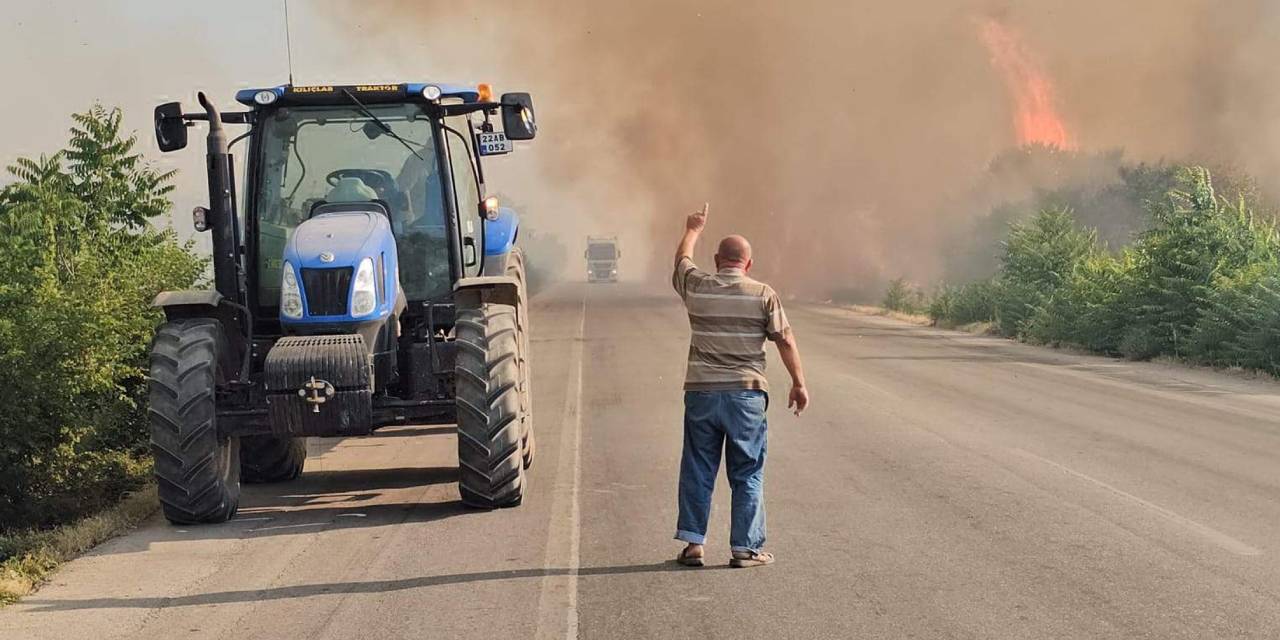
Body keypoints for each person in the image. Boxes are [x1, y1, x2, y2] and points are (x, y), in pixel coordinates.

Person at [671, 203, 809, 569]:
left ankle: (693, 544)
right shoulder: (763, 294)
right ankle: (745, 549)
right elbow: (786, 340)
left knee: (698, 467)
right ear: (748, 264)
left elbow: (682, 260)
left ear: (717, 260)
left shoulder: (697, 287)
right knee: (747, 471)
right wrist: (798, 383)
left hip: (701, 394)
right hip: (746, 396)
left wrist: (693, 229)